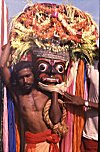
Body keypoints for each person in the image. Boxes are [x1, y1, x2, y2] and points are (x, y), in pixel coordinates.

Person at [0, 2, 98, 152]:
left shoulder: (45, 92)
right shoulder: (18, 94)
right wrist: (13, 42)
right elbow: (3, 67)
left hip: (51, 143)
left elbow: (56, 120)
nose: (25, 80)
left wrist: (54, 92)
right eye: (21, 78)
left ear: (34, 75)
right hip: (32, 144)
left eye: (27, 76)